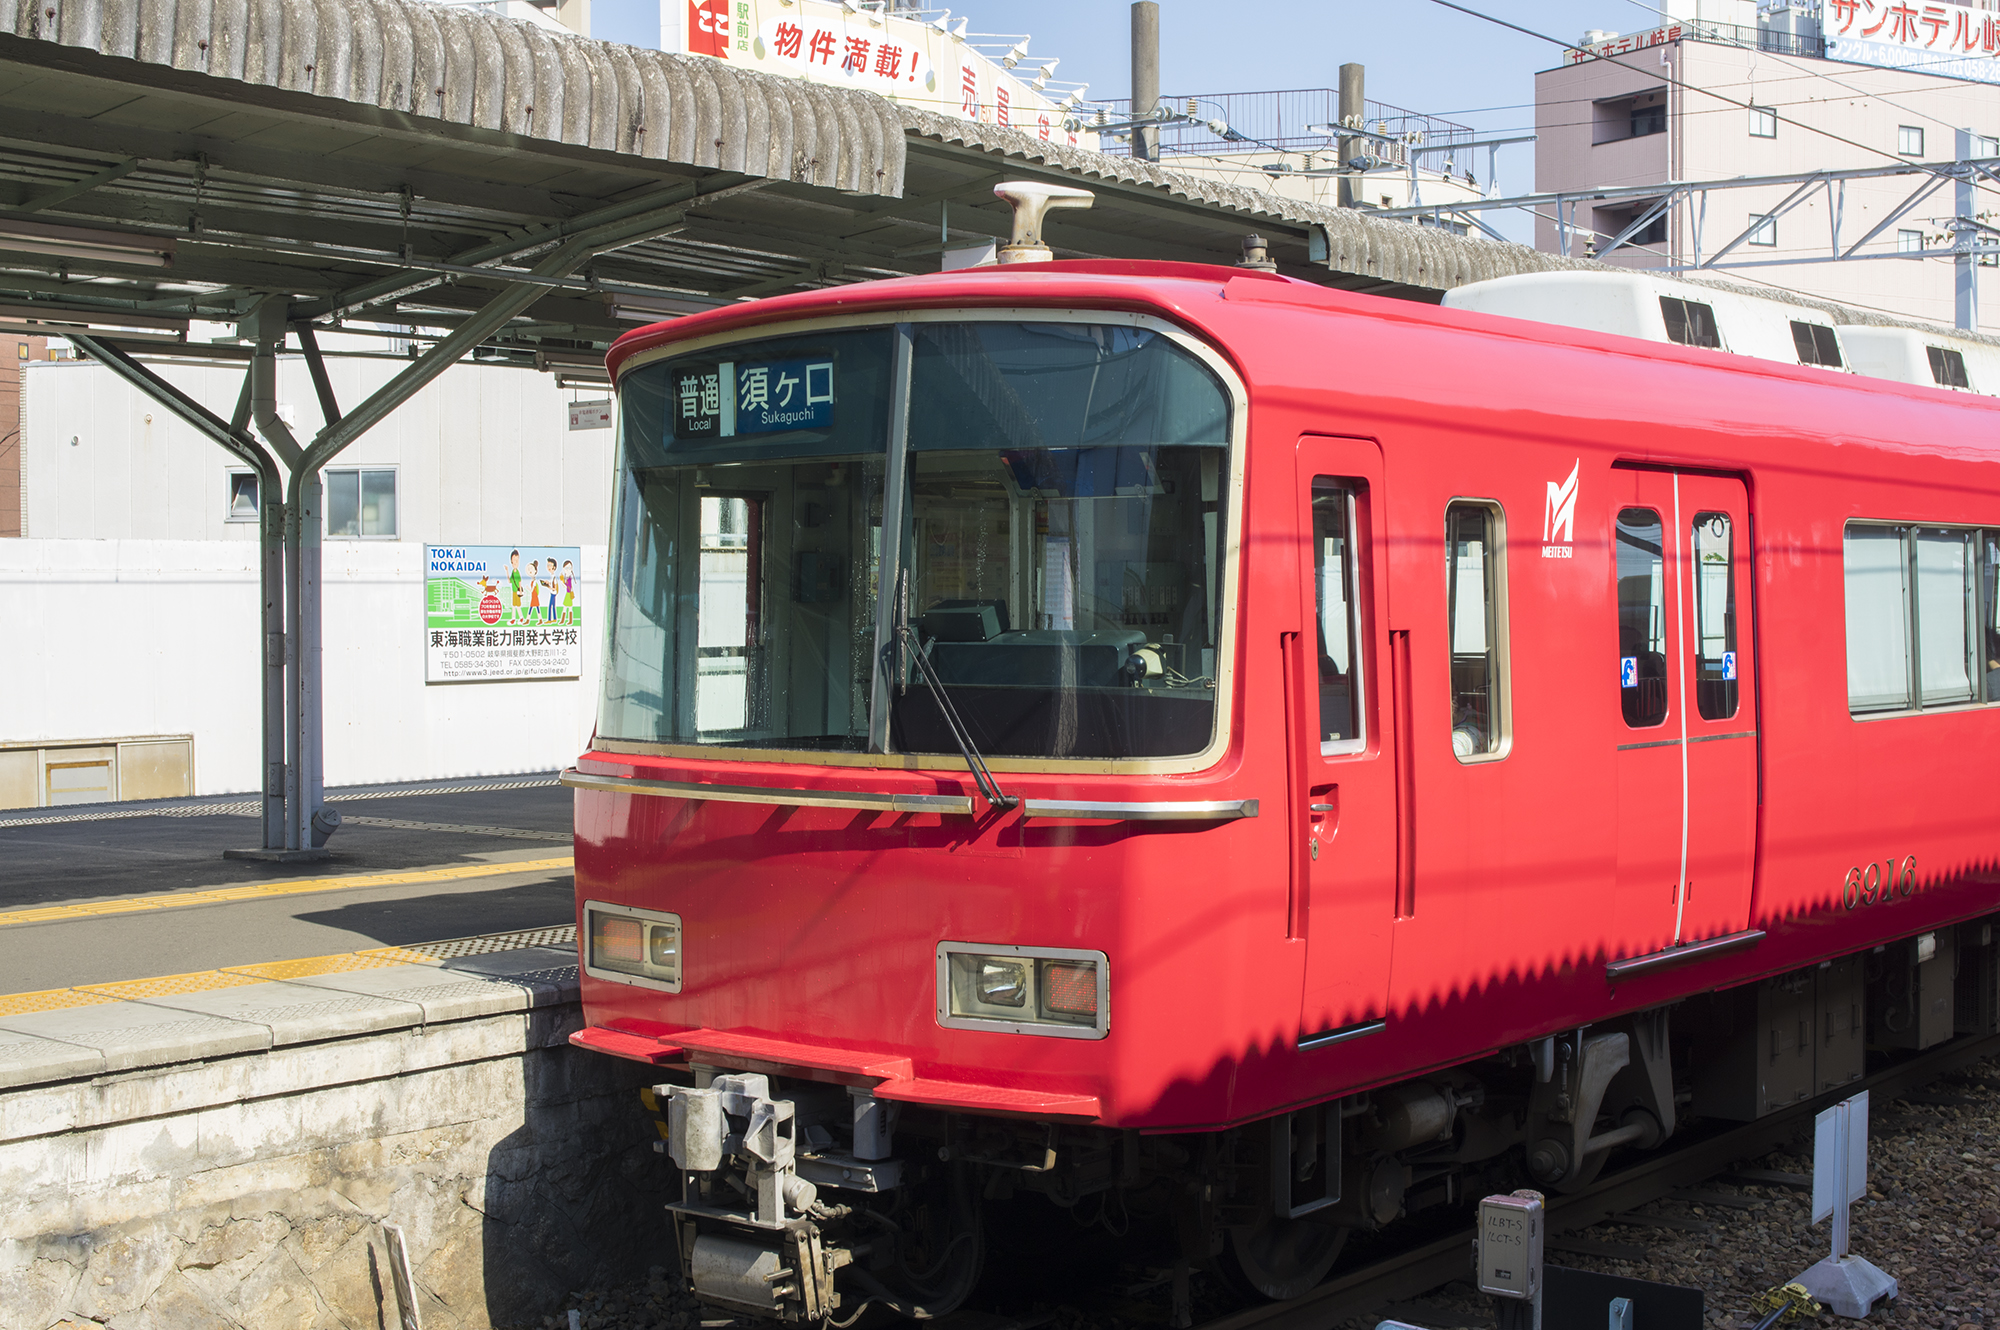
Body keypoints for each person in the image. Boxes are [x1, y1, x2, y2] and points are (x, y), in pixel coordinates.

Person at [507, 550, 522, 624]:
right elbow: (509, 581)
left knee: (518, 605)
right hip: (514, 591)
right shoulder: (513, 572)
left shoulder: (518, 572)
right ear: (511, 562)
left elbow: (519, 581)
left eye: (517, 560)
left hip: (517, 591)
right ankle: (513, 618)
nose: (516, 562)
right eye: (514, 560)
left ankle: (521, 617)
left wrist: (521, 590)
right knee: (514, 605)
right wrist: (507, 571)